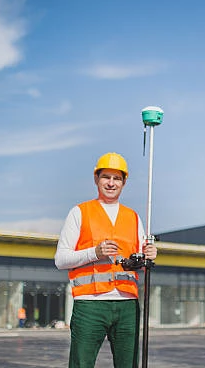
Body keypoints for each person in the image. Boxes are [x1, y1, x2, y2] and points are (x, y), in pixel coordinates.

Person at [55, 152, 157, 368]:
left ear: (124, 182)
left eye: (117, 178)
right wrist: (95, 253)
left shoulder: (133, 217)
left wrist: (148, 256)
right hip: (90, 306)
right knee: (81, 364)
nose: (111, 183)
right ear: (96, 179)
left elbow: (138, 261)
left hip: (127, 306)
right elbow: (61, 259)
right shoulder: (80, 213)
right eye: (106, 177)